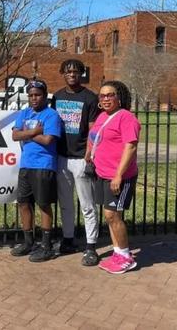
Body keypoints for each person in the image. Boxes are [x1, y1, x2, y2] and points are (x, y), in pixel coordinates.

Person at [88, 80, 141, 274]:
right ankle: (118, 253)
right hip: (102, 174)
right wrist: (89, 154)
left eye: (110, 95)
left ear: (119, 97)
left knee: (113, 215)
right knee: (110, 216)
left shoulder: (126, 117)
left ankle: (126, 256)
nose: (106, 99)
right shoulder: (102, 116)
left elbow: (131, 146)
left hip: (119, 176)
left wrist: (118, 175)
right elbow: (94, 138)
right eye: (102, 95)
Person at [51, 59, 100, 265]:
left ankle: (91, 246)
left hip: (81, 158)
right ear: (63, 74)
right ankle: (68, 240)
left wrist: (89, 153)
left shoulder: (90, 98)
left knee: (87, 205)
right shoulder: (57, 97)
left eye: (76, 71)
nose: (72, 75)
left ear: (82, 74)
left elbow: (93, 129)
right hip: (62, 157)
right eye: (68, 71)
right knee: (65, 204)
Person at [11, 79, 63, 262]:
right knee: (24, 203)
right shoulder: (24, 113)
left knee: (43, 204)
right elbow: (15, 135)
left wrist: (26, 132)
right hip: (26, 165)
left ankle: (46, 246)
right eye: (31, 95)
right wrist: (35, 132)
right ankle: (29, 242)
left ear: (45, 96)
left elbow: (48, 140)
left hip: (44, 165)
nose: (34, 98)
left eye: (37, 95)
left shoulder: (51, 115)